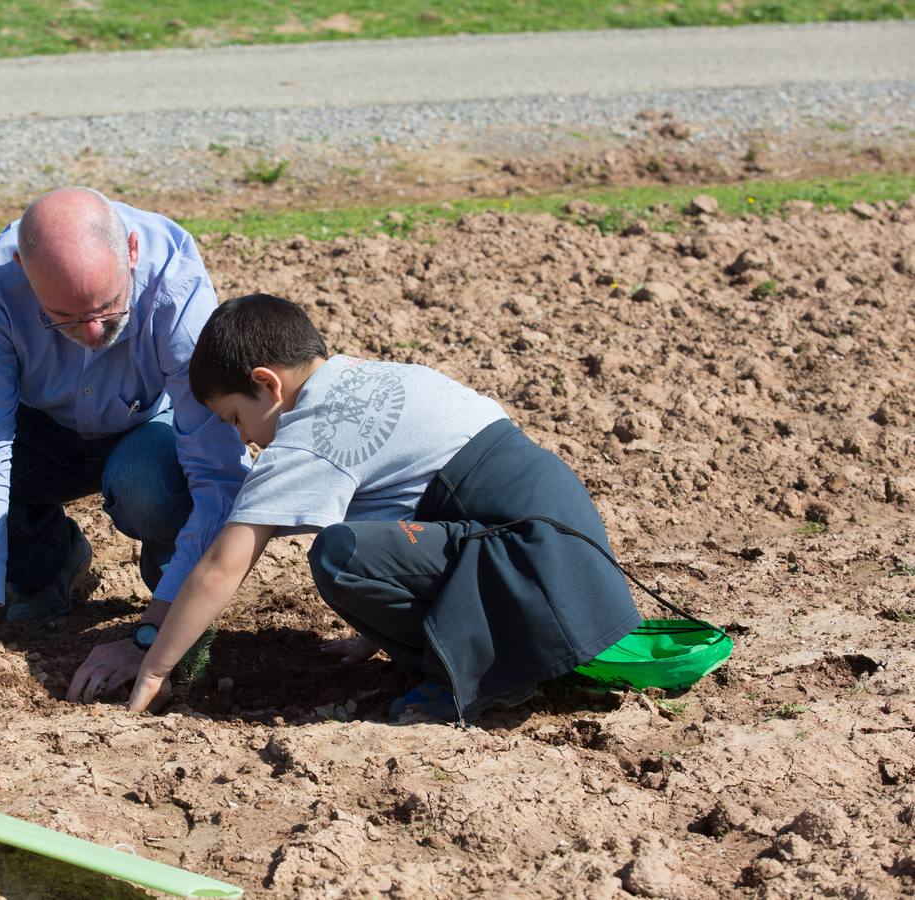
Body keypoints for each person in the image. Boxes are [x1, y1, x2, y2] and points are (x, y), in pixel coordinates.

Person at [125, 293, 641, 721]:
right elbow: (416, 519)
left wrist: (153, 669)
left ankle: (473, 678)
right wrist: (376, 633)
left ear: (267, 384)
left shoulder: (314, 432)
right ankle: (480, 653)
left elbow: (222, 567)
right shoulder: (375, 381)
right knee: (358, 544)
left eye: (235, 418)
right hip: (573, 568)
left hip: (531, 568)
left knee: (340, 553)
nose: (243, 437)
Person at [0, 187, 250, 691]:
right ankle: (46, 564)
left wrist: (155, 636)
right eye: (66, 318)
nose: (95, 329)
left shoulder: (174, 274)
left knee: (150, 486)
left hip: (147, 425)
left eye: (108, 306)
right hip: (41, 428)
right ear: (23, 269)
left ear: (131, 250)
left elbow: (214, 465)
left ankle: (176, 597)